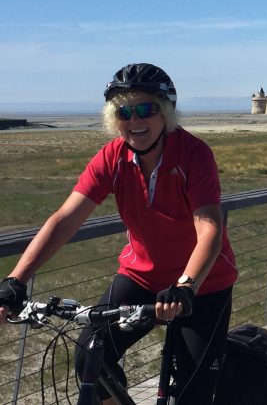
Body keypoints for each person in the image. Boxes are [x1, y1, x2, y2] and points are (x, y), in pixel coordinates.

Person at [0, 63, 238, 404]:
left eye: (145, 109)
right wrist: (16, 281)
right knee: (89, 356)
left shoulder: (194, 154)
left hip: (203, 285)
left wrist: (187, 286)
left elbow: (210, 227)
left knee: (193, 391)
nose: (134, 121)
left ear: (166, 113)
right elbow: (65, 219)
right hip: (142, 277)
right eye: (123, 112)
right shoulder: (112, 157)